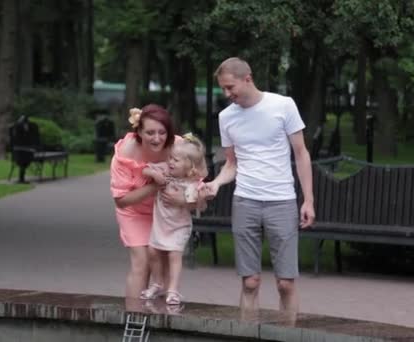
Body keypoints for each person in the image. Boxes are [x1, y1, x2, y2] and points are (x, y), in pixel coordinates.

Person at [203, 57, 315, 315]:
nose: (227, 94)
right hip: (245, 201)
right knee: (250, 283)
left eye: (230, 87)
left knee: (285, 283)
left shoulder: (283, 106)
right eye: (223, 89)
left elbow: (301, 153)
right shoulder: (226, 117)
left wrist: (308, 200)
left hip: (282, 201)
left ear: (248, 78)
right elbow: (232, 163)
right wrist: (217, 183)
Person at [110, 104, 177, 299]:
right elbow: (121, 201)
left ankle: (159, 320)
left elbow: (199, 174)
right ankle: (133, 318)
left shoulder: (178, 147)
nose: (157, 138)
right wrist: (155, 186)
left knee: (162, 266)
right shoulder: (125, 153)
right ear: (139, 131)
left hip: (164, 212)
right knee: (142, 262)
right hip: (134, 211)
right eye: (150, 132)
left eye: (162, 132)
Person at [138, 133, 208, 306]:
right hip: (160, 224)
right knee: (153, 252)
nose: (170, 162)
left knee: (174, 256)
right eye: (170, 158)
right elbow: (144, 168)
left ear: (188, 166)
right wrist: (155, 175)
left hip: (179, 226)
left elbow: (196, 206)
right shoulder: (164, 171)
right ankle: (157, 283)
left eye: (175, 160)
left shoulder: (191, 184)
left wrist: (182, 200)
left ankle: (173, 290)